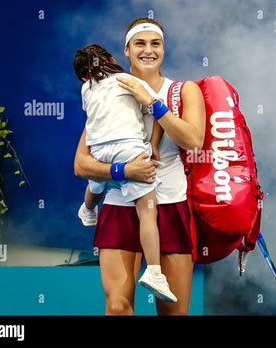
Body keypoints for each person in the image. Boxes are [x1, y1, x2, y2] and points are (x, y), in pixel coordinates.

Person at [74, 17, 206, 315]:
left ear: (164, 49)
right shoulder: (107, 92)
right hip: (120, 204)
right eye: (140, 44)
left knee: (173, 313)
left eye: (155, 43)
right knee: (118, 308)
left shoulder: (184, 90)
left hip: (170, 204)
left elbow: (193, 141)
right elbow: (82, 164)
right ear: (127, 50)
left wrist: (152, 101)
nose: (148, 50)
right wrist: (124, 172)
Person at [73, 44, 177, 303]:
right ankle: (154, 272)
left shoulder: (86, 89)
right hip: (129, 149)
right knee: (147, 213)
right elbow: (156, 110)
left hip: (98, 149)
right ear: (111, 59)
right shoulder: (128, 80)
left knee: (96, 181)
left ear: (84, 76)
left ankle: (87, 210)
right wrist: (151, 143)